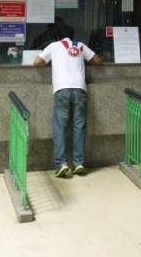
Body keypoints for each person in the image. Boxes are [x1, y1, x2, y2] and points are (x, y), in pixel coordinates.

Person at [34, 25, 102, 177]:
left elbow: (37, 62)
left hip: (62, 90)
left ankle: (62, 164)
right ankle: (78, 163)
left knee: (60, 127)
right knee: (79, 127)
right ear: (72, 35)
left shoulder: (53, 46)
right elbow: (98, 60)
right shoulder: (80, 46)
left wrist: (54, 61)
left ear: (57, 36)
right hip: (80, 89)